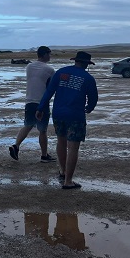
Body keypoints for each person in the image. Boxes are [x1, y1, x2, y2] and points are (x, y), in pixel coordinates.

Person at [36, 51, 98, 190]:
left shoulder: (61, 72)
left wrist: (40, 108)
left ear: (75, 61)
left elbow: (49, 91)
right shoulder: (87, 78)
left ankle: (63, 171)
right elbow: (93, 98)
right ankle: (68, 181)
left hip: (58, 114)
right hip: (76, 115)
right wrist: (90, 107)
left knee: (61, 142)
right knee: (73, 148)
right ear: (87, 64)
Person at [9, 46, 56, 163]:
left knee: (28, 125)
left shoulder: (29, 66)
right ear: (45, 54)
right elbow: (51, 86)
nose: (50, 56)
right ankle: (44, 155)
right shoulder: (50, 70)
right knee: (43, 130)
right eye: (49, 54)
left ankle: (16, 145)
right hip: (42, 102)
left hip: (29, 101)